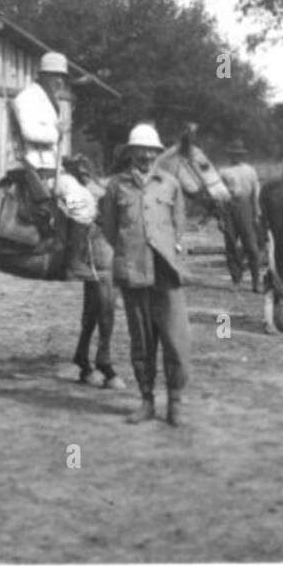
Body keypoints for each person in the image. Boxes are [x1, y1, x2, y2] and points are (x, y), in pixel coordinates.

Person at [98, 123, 192, 426]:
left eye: (152, 151)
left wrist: (167, 247)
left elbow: (178, 224)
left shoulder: (170, 184)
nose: (147, 156)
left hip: (166, 272)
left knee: (176, 340)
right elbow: (110, 230)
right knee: (142, 341)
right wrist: (130, 252)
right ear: (131, 154)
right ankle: (147, 400)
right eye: (141, 151)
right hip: (133, 271)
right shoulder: (116, 187)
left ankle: (175, 402)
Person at [7, 52, 96, 241]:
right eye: (56, 76)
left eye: (63, 77)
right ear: (43, 75)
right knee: (82, 204)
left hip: (52, 166)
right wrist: (58, 132)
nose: (60, 81)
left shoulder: (49, 100)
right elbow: (30, 132)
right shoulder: (27, 98)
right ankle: (73, 264)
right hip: (37, 168)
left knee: (90, 191)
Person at [217, 139, 262, 291]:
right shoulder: (223, 171)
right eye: (233, 154)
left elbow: (256, 193)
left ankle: (256, 282)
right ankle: (236, 279)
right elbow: (219, 195)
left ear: (242, 155)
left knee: (251, 246)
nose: (235, 157)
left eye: (238, 154)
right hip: (228, 207)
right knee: (230, 244)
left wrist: (257, 213)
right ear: (229, 154)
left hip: (246, 207)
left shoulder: (250, 170)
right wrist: (220, 217)